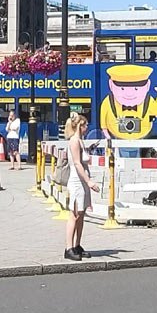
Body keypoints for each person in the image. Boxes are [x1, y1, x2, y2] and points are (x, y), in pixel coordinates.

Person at [63, 112, 97, 261]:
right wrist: (89, 181)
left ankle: (77, 245)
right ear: (80, 126)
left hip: (82, 181)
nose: (87, 127)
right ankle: (68, 247)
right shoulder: (74, 141)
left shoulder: (81, 141)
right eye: (86, 125)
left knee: (81, 214)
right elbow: (77, 163)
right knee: (74, 214)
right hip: (77, 182)